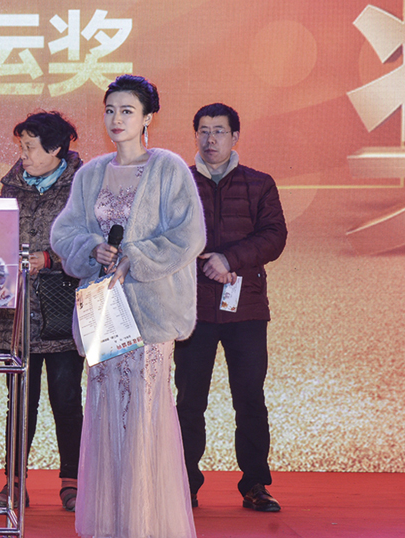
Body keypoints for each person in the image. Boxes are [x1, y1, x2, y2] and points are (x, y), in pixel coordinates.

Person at [51, 75, 205, 538]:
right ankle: (110, 522)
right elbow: (64, 233)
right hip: (103, 311)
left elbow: (189, 235)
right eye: (110, 110)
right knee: (103, 412)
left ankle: (146, 523)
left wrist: (133, 257)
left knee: (144, 412)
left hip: (151, 313)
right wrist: (91, 248)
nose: (116, 119)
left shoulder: (168, 168)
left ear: (147, 118)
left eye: (127, 111)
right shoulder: (90, 173)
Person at [174, 103, 287, 512]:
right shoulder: (180, 183)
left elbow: (274, 236)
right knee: (189, 401)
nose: (210, 140)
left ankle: (255, 483)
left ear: (235, 136)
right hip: (193, 310)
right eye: (203, 131)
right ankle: (184, 484)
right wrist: (201, 260)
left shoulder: (259, 183)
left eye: (219, 131)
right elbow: (167, 236)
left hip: (247, 310)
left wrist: (229, 259)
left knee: (250, 398)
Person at [0, 111, 84, 512]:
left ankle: (72, 482)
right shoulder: (11, 186)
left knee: (67, 400)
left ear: (55, 149)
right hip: (18, 313)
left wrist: (50, 258)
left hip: (62, 308)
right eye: (21, 146)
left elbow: (89, 240)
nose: (23, 154)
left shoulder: (80, 185)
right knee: (20, 403)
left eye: (30, 147)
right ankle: (14, 483)